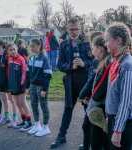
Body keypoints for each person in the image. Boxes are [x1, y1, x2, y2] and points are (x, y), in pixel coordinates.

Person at [50, 18, 92, 149]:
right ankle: (61, 136)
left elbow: (96, 64)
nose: (74, 32)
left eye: (76, 29)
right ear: (67, 29)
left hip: (85, 84)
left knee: (89, 112)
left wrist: (84, 64)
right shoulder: (63, 45)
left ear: (80, 28)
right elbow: (59, 65)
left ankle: (88, 141)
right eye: (71, 29)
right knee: (67, 110)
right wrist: (70, 66)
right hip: (70, 84)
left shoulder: (87, 43)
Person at [104, 22, 132, 150]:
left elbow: (125, 102)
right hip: (113, 119)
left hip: (123, 124)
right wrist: (108, 115)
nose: (105, 44)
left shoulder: (127, 65)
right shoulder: (115, 60)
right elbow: (112, 93)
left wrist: (118, 130)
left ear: (118, 41)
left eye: (107, 41)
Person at [79, 30, 104, 150]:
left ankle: (86, 146)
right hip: (93, 98)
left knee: (90, 126)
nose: (91, 49)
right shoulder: (99, 60)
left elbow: (92, 81)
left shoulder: (98, 61)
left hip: (94, 100)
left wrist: (83, 95)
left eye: (92, 46)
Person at [84, 35, 110, 150]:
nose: (92, 51)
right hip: (103, 108)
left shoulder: (106, 64)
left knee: (97, 144)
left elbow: (99, 90)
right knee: (104, 142)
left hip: (101, 109)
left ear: (99, 49)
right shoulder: (104, 62)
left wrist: (89, 108)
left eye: (93, 47)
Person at [25, 38, 52, 136]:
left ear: (39, 46)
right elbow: (28, 73)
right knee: (33, 104)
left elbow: (48, 75)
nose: (31, 48)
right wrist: (27, 86)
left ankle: (45, 127)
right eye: (30, 46)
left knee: (43, 105)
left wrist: (45, 89)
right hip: (32, 85)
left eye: (33, 46)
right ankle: (37, 125)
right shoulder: (31, 58)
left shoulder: (44, 58)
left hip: (41, 86)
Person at [7, 42, 32, 131]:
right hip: (13, 85)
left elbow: (25, 73)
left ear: (17, 49)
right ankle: (24, 120)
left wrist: (25, 85)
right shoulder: (9, 59)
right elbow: (9, 73)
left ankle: (29, 122)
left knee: (23, 103)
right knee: (17, 104)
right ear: (8, 52)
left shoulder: (21, 59)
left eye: (14, 49)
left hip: (21, 85)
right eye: (10, 50)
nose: (13, 51)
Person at [0, 39, 18, 127]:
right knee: (4, 99)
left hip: (8, 81)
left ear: (0, 46)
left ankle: (15, 117)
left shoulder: (7, 55)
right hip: (0, 81)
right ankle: (7, 116)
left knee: (12, 99)